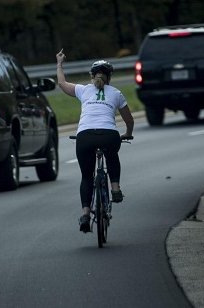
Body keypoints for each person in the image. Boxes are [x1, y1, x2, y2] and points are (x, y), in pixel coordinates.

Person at [55, 49, 134, 233]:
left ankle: (85, 213)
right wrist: (128, 133)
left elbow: (61, 83)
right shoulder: (116, 93)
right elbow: (129, 119)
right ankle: (115, 188)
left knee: (86, 176)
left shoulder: (83, 90)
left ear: (92, 76)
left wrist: (60, 63)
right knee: (112, 155)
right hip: (109, 135)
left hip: (85, 136)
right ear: (109, 77)